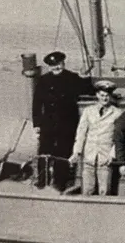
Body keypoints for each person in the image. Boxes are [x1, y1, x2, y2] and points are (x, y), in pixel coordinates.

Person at [32, 51, 95, 191]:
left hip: (67, 124)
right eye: (53, 65)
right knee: (44, 151)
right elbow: (37, 104)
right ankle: (42, 181)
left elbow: (90, 91)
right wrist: (36, 124)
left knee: (63, 153)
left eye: (59, 64)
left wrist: (85, 78)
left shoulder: (72, 78)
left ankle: (61, 183)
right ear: (49, 66)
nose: (57, 67)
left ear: (63, 63)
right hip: (48, 124)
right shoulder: (43, 80)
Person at [70, 80, 122, 196]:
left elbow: (118, 138)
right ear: (97, 95)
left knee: (105, 190)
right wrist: (76, 152)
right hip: (89, 155)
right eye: (102, 95)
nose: (105, 98)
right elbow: (81, 133)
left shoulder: (117, 113)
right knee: (87, 190)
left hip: (105, 156)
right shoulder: (88, 111)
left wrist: (112, 154)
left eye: (107, 96)